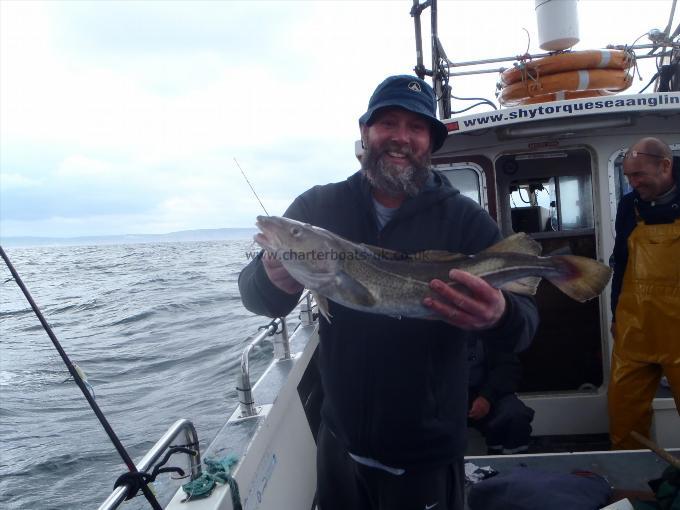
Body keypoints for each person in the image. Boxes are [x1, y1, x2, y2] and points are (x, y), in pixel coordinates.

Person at [239, 75, 538, 510]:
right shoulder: (318, 208)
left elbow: (525, 325)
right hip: (340, 440)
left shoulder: (466, 220)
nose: (401, 138)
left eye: (416, 128)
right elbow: (254, 295)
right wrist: (271, 278)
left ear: (430, 143)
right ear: (365, 134)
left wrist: (500, 315)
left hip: (426, 453)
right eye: (388, 123)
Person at [608, 136, 680, 450]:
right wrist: (615, 315)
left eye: (638, 175)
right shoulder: (629, 204)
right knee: (623, 415)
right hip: (635, 326)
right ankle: (630, 489)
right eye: (628, 177)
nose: (633, 183)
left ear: (665, 166)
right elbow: (621, 262)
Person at [467, 337, 535, 455]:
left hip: (485, 397)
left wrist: (486, 397)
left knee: (515, 414)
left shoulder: (490, 330)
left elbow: (508, 367)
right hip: (442, 403)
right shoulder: (430, 331)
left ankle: (511, 466)